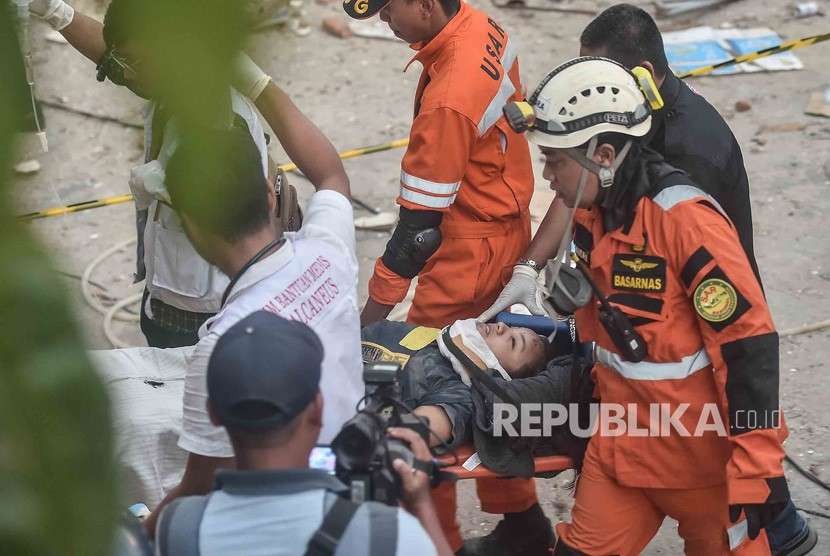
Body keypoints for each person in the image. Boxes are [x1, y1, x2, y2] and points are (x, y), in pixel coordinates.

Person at [516, 56, 796, 555]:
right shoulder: (592, 215)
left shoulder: (686, 223)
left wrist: (758, 469)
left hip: (701, 467)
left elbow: (747, 347)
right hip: (620, 455)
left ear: (603, 155)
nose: (547, 173)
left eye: (556, 159)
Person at [341, 0, 545, 552]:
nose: (386, 24)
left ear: (425, 5)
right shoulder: (482, 24)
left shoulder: (450, 97)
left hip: (466, 248)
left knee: (423, 384)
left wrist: (369, 318)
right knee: (492, 378)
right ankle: (521, 519)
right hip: (502, 225)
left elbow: (418, 234)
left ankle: (439, 541)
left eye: (388, 13)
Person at [29, 0, 348, 348]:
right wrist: (55, 11)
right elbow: (121, 61)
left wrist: (154, 182)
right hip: (199, 292)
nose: (127, 72)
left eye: (136, 61)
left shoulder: (210, 128)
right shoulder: (187, 82)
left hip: (193, 309)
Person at [142, 128, 364, 534]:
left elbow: (199, 486)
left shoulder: (223, 347)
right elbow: (331, 175)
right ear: (269, 193)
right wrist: (261, 86)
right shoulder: (326, 250)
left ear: (192, 227)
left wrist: (138, 535)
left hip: (277, 523)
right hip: (353, 484)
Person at [480, 2, 760, 323]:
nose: (590, 88)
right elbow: (579, 183)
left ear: (645, 72)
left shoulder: (691, 151)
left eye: (600, 77)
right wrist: (528, 268)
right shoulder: (626, 114)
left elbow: (695, 282)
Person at [154, 311, 453, 555]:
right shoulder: (385, 535)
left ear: (213, 414)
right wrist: (421, 504)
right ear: (317, 408)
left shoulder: (178, 528)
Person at [361, 318, 552, 449]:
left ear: (503, 377)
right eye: (511, 327)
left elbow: (410, 432)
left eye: (513, 342)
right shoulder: (430, 336)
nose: (501, 326)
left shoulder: (458, 395)